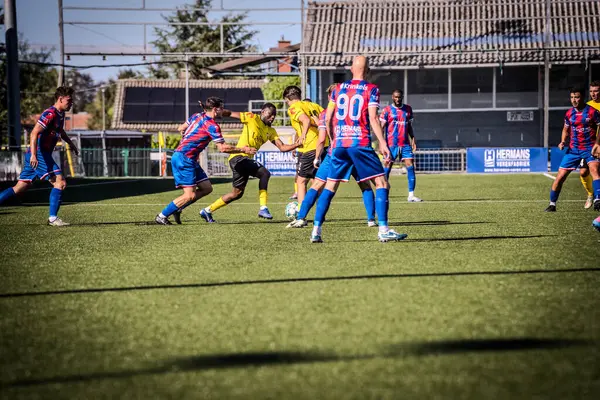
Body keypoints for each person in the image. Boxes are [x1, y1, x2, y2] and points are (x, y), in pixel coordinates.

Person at [309, 56, 407, 243]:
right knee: (382, 183)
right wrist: (383, 143)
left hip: (339, 145)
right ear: (368, 70)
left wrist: (334, 139)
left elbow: (328, 118)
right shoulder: (371, 89)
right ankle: (383, 229)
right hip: (359, 143)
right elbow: (373, 119)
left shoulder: (338, 89)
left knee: (330, 186)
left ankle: (316, 231)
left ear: (351, 69)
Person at [287, 84, 377, 228]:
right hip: (355, 149)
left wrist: (317, 157)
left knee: (319, 185)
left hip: (336, 152)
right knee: (365, 185)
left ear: (331, 97)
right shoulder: (355, 110)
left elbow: (322, 139)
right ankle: (371, 220)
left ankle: (302, 218)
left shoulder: (325, 113)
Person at [155, 97, 256, 225]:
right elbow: (223, 148)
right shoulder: (212, 126)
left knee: (206, 188)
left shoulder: (197, 116)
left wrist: (189, 136)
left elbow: (181, 128)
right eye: (221, 108)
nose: (223, 111)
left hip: (189, 158)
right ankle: (162, 216)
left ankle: (178, 207)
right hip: (184, 158)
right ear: (215, 109)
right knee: (189, 195)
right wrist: (243, 149)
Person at [200, 103, 300, 222]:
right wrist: (212, 113)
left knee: (237, 193)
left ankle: (207, 211)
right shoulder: (251, 117)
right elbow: (230, 113)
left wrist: (297, 144)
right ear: (262, 112)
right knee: (265, 173)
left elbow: (282, 147)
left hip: (244, 160)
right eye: (270, 113)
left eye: (274, 115)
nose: (272, 117)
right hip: (238, 157)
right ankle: (263, 208)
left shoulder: (271, 131)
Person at [0, 86, 78, 226]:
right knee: (60, 182)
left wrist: (71, 144)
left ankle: (53, 218)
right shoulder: (50, 114)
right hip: (39, 154)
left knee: (19, 188)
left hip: (40, 154)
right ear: (60, 99)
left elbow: (60, 131)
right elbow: (34, 133)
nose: (71, 103)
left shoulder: (60, 115)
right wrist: (34, 155)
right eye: (69, 100)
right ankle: (53, 218)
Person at [545, 88, 600, 212]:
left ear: (583, 98)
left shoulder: (593, 111)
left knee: (594, 170)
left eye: (577, 97)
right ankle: (552, 204)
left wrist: (597, 144)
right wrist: (563, 141)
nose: (574, 100)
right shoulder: (569, 113)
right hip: (573, 149)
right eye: (572, 97)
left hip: (589, 148)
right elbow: (565, 129)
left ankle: (597, 199)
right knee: (560, 176)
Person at [283, 86, 324, 207]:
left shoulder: (294, 108)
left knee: (301, 181)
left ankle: (301, 214)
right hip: (322, 146)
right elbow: (326, 120)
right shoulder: (313, 106)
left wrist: (303, 136)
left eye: (286, 101)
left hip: (309, 147)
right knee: (318, 181)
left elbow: (305, 120)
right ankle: (320, 212)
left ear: (288, 98)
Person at [380, 89, 422, 202]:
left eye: (399, 97)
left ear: (402, 97)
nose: (397, 99)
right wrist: (381, 143)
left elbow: (409, 126)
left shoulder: (408, 109)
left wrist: (413, 138)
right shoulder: (387, 110)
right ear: (392, 97)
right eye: (395, 97)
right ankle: (383, 194)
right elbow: (381, 128)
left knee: (410, 165)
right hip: (391, 144)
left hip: (405, 144)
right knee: (387, 167)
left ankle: (411, 195)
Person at [581, 81, 600, 208]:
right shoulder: (587, 106)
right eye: (591, 91)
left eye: (596, 90)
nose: (593, 93)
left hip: (598, 144)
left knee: (595, 171)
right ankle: (590, 194)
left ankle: (598, 198)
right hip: (588, 145)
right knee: (583, 172)